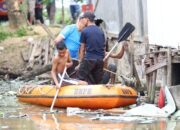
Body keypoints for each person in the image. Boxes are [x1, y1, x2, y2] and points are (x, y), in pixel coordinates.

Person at [77, 12, 105, 84]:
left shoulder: (85, 31)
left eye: (83, 19)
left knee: (80, 78)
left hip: (89, 59)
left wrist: (80, 62)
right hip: (100, 60)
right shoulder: (101, 31)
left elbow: (82, 49)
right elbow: (103, 47)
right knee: (98, 82)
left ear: (87, 19)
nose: (82, 20)